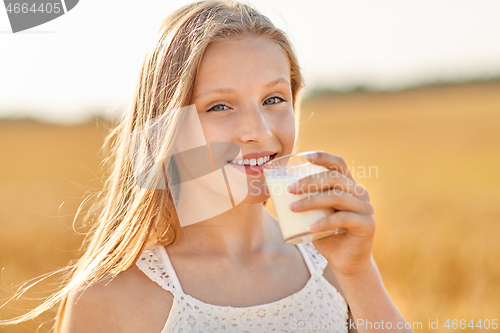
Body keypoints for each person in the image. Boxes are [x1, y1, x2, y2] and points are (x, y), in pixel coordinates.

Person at [0, 1, 413, 332]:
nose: (259, 131)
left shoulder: (331, 262)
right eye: (219, 106)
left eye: (274, 99)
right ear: (168, 127)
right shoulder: (112, 298)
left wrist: (360, 274)